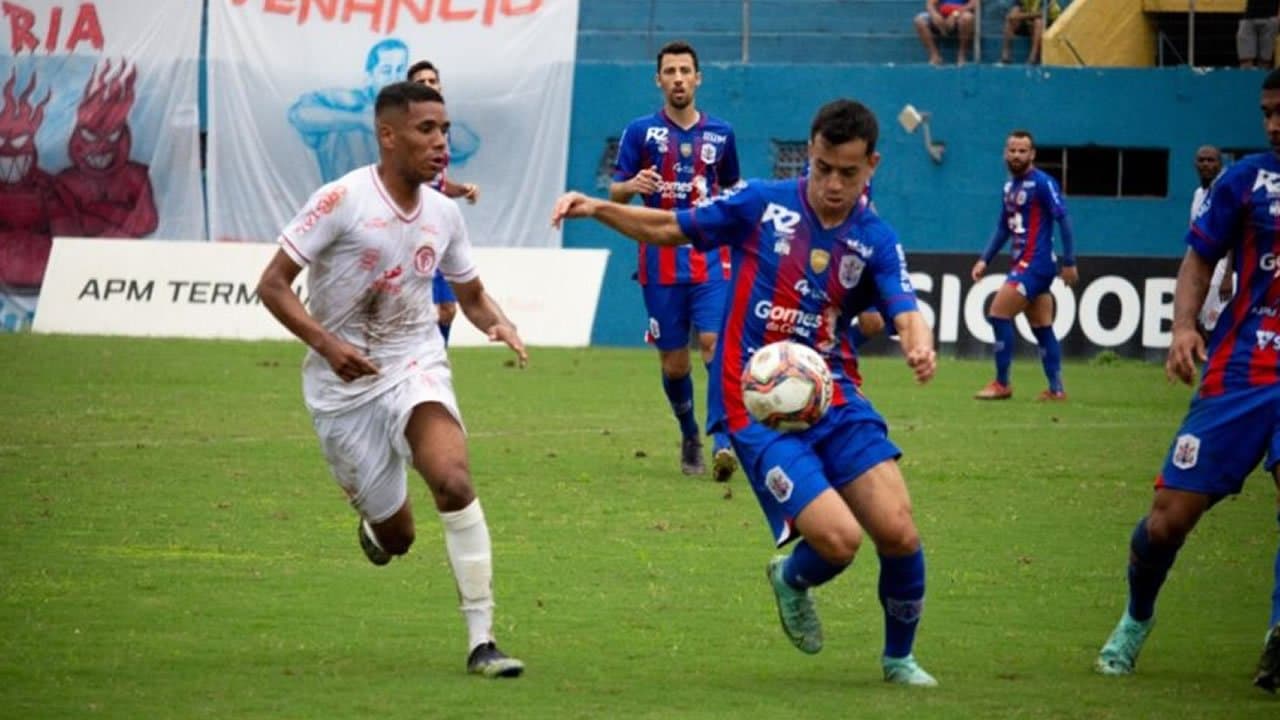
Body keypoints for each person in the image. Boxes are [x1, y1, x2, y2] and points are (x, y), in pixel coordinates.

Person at [554, 98, 941, 687]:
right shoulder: (762, 204)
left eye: (849, 173)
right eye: (822, 168)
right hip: (757, 403)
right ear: (808, 155)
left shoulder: (875, 240)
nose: (833, 184)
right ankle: (792, 578)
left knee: (899, 530)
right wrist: (598, 208)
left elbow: (905, 307)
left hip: (834, 396)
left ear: (872, 166)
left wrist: (919, 343)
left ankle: (899, 660)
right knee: (839, 542)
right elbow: (669, 227)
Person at [258, 81, 527, 679]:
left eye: (445, 130)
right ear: (388, 135)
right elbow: (271, 284)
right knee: (398, 537)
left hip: (413, 361)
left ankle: (482, 639)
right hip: (342, 388)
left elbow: (472, 293)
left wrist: (498, 322)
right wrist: (327, 346)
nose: (440, 142)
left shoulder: (444, 213)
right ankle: (378, 529)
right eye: (426, 130)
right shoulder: (342, 200)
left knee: (453, 480)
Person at [1094, 69, 1280, 693]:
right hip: (1240, 370)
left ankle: (1277, 643)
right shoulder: (1247, 180)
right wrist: (1180, 327)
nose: (1274, 122)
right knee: (1168, 519)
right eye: (1267, 111)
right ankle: (1135, 617)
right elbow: (1201, 255)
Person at [609, 40, 743, 481]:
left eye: (686, 70)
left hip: (709, 257)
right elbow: (615, 192)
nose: (679, 78)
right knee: (674, 363)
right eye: (670, 71)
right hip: (659, 260)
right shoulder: (640, 133)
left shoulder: (721, 134)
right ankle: (689, 434)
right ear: (659, 79)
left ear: (698, 77)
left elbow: (732, 191)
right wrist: (633, 182)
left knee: (713, 345)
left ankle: (723, 440)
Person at [971, 129, 1077, 401]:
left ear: (1032, 154)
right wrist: (985, 259)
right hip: (1023, 262)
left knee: (998, 313)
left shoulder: (1043, 183)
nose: (1016, 155)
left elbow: (1063, 219)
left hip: (1036, 264)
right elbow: (1002, 228)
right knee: (1042, 325)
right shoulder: (1009, 188)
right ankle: (1056, 389)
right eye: (1012, 150)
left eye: (1022, 151)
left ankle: (1002, 383)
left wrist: (1070, 261)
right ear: (1005, 153)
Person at [407, 59, 479, 345]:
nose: (427, 86)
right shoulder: (404, 131)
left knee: (448, 309)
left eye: (431, 81)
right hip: (412, 228)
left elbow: (436, 183)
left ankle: (433, 367)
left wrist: (462, 189)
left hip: (439, 227)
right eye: (420, 82)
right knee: (412, 309)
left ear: (440, 86)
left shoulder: (441, 132)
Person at [288, 39, 409, 183]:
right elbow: (299, 115)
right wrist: (361, 121)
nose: (395, 78)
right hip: (343, 201)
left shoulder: (413, 112)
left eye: (400, 70)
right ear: (369, 77)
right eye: (386, 71)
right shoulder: (344, 102)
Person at [1191, 146, 1232, 334]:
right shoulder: (1198, 194)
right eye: (1201, 160)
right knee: (1200, 322)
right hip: (1204, 271)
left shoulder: (1225, 192)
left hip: (1224, 272)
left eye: (1211, 160)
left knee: (1220, 325)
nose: (1206, 164)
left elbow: (1233, 236)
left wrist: (1227, 276)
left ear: (1220, 164)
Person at [911, 0, 979, 66]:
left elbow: (974, 4)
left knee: (968, 18)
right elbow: (930, 4)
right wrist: (935, 15)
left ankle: (961, 56)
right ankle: (935, 57)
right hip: (941, 15)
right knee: (919, 20)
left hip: (960, 15)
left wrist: (955, 14)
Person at [999, 0, 1061, 65]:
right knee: (1010, 21)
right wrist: (1013, 14)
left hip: (1050, 24)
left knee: (1038, 22)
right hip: (1030, 21)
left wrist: (1019, 16)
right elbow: (1015, 10)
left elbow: (1042, 13)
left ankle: (1032, 59)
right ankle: (1005, 57)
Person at [1238, 0, 1280, 69]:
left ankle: (1262, 78)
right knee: (1245, 59)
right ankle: (1246, 78)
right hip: (1249, 17)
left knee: (1265, 60)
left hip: (1270, 18)